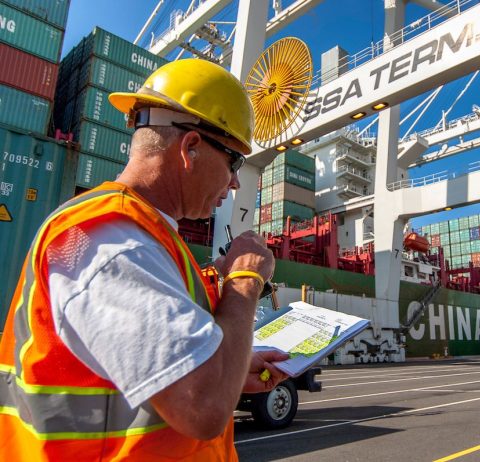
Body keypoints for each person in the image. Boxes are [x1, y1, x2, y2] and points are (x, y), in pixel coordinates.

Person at [0, 59, 288, 461]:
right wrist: (245, 279)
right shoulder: (112, 240)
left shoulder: (144, 235)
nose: (236, 181)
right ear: (190, 148)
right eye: (233, 161)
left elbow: (136, 373)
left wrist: (233, 371)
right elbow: (202, 408)